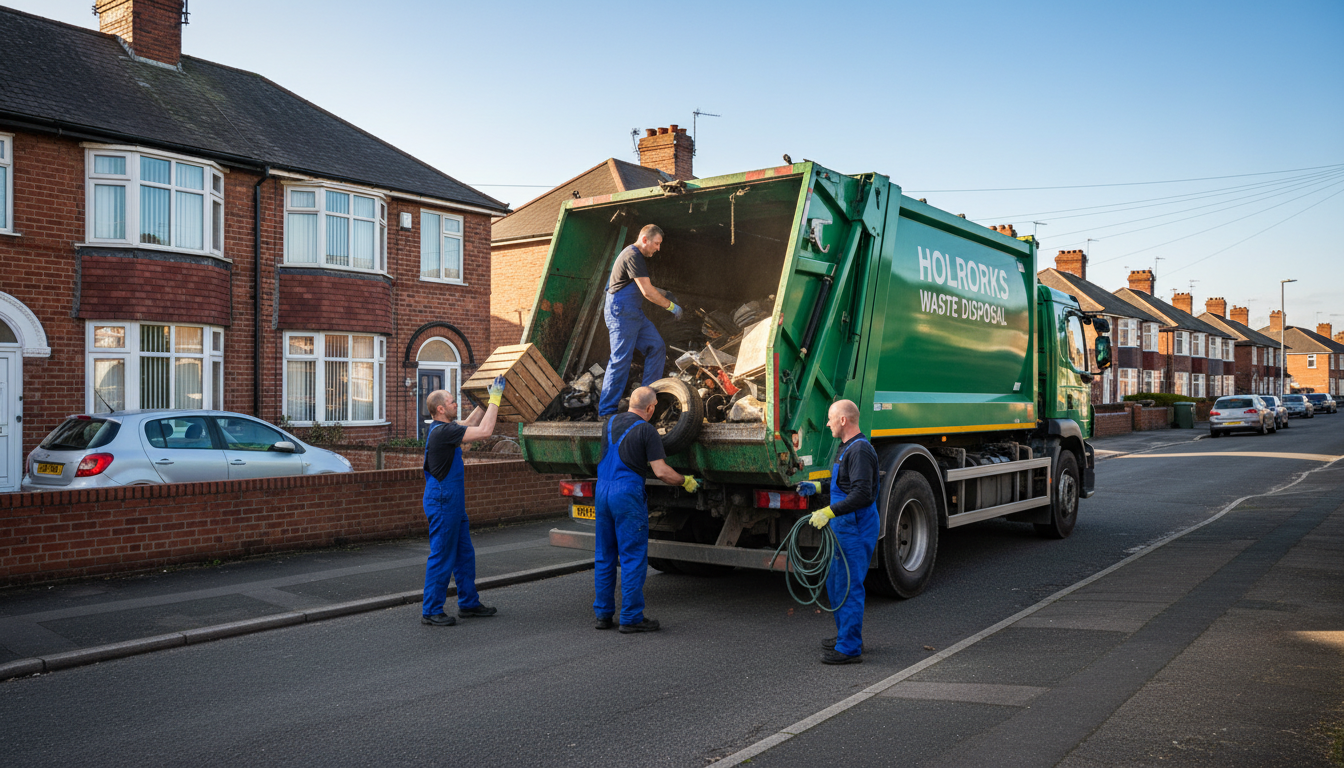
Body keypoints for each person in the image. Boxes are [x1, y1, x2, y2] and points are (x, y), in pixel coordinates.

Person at [594, 385, 699, 632]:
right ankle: (631, 618)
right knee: (632, 557)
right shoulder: (647, 430)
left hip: (602, 492)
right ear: (651, 408)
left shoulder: (608, 424)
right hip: (626, 495)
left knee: (604, 555)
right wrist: (685, 481)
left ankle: (603, 615)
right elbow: (661, 471)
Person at [420, 376, 507, 627]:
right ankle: (431, 610)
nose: (455, 403)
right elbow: (485, 431)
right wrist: (495, 399)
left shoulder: (446, 430)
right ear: (440, 409)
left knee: (464, 554)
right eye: (451, 401)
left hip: (452, 501)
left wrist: (482, 402)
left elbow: (469, 423)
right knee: (442, 555)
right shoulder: (444, 432)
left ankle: (468, 604)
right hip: (443, 500)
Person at [806, 399, 880, 664]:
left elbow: (862, 494)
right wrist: (817, 488)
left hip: (855, 528)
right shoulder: (847, 447)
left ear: (843, 420)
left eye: (829, 418)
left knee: (849, 586)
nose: (827, 424)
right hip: (844, 527)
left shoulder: (859, 450)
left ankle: (849, 648)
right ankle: (845, 636)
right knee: (836, 583)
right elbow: (843, 484)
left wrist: (828, 512)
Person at [598, 224, 683, 417]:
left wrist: (666, 293)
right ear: (644, 239)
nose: (658, 248)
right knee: (620, 360)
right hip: (621, 312)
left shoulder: (635, 257)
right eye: (656, 243)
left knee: (657, 346)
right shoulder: (632, 255)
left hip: (633, 313)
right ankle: (606, 412)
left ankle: (647, 402)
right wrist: (671, 306)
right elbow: (647, 292)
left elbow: (643, 285)